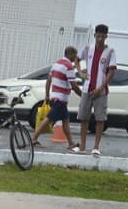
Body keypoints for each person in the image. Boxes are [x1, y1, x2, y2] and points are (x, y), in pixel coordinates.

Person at [72, 23, 115, 157]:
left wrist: (101, 87)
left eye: (103, 36)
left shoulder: (110, 52)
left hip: (101, 91)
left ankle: (96, 147)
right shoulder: (87, 48)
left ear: (106, 37)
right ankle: (83, 146)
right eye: (98, 36)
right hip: (87, 88)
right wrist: (80, 72)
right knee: (84, 117)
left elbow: (111, 71)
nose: (100, 39)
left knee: (100, 119)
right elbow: (76, 59)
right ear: (94, 35)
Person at [30, 46, 81, 148]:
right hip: (61, 99)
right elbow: (74, 85)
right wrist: (83, 96)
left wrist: (47, 95)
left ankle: (71, 143)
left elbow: (49, 80)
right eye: (75, 55)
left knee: (65, 120)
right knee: (49, 119)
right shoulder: (68, 67)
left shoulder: (56, 64)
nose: (75, 58)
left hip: (55, 97)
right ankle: (33, 138)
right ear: (70, 54)